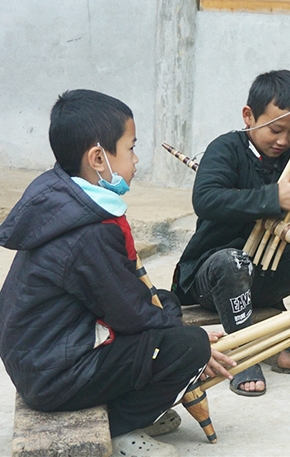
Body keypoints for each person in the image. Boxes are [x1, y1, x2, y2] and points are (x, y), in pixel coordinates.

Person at [0, 90, 233, 457]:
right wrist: (192, 341)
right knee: (188, 347)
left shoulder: (62, 194)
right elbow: (129, 314)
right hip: (55, 374)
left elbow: (125, 297)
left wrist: (168, 319)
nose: (136, 160)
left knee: (167, 304)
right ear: (97, 158)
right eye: (130, 148)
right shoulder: (89, 232)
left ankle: (136, 406)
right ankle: (121, 426)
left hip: (39, 356)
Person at [171, 70, 290, 397]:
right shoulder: (226, 148)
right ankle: (243, 354)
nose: (283, 140)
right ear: (248, 116)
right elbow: (205, 199)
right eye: (275, 129)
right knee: (232, 261)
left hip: (265, 272)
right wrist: (272, 198)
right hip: (211, 275)